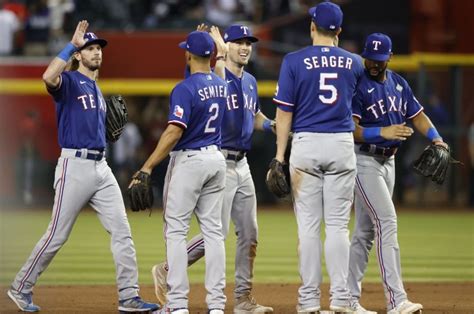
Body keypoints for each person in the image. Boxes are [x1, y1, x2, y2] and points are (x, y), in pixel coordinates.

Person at [6, 20, 159, 313]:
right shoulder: (71, 81)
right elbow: (48, 76)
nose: (97, 52)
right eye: (90, 48)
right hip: (74, 165)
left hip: (101, 167)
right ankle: (20, 287)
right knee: (57, 235)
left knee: (122, 231)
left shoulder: (97, 90)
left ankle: (129, 297)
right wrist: (71, 44)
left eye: (98, 48)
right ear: (79, 55)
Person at [152, 24, 275, 313]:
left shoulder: (251, 81)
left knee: (249, 232)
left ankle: (243, 299)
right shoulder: (214, 78)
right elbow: (198, 80)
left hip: (242, 164)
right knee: (214, 235)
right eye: (238, 42)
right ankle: (167, 270)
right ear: (224, 47)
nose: (245, 47)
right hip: (218, 159)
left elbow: (253, 114)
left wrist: (271, 124)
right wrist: (217, 51)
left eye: (249, 42)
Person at [272, 2, 366, 313]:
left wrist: (279, 157)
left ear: (312, 27)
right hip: (341, 143)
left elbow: (284, 112)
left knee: (308, 230)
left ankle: (309, 302)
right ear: (339, 31)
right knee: (338, 227)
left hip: (307, 145)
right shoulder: (354, 63)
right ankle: (341, 299)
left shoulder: (293, 61)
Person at [130, 30, 228, 314]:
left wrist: (147, 166)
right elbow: (207, 77)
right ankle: (217, 306)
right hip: (216, 159)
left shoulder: (183, 89)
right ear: (210, 55)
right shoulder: (221, 85)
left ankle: (177, 305)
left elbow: (174, 131)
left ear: (187, 54)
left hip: (189, 161)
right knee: (214, 234)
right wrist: (212, 48)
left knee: (175, 232)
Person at [347, 33, 445, 313]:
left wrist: (437, 138)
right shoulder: (358, 86)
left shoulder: (399, 84)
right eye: (369, 59)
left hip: (388, 162)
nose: (373, 64)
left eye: (379, 60)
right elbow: (351, 130)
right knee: (387, 222)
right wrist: (383, 132)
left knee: (365, 232)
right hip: (364, 161)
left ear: (389, 58)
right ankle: (396, 300)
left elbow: (418, 116)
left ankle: (348, 300)